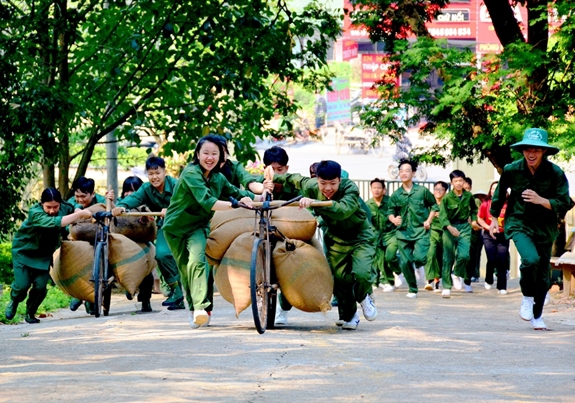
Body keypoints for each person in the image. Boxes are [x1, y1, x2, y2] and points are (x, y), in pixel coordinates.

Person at [161, 135, 264, 329]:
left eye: (214, 153)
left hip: (198, 226)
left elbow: (236, 191)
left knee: (197, 260)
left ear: (221, 156)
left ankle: (201, 307)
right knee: (185, 269)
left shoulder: (218, 178)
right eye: (206, 153)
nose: (210, 157)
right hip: (174, 227)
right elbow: (208, 202)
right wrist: (236, 205)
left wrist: (257, 197)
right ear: (197, 154)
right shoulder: (191, 173)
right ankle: (194, 310)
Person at [270, 160, 377, 330]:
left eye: (333, 183)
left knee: (362, 273)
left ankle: (363, 296)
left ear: (339, 180)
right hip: (335, 240)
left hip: (359, 237)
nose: (328, 188)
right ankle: (350, 316)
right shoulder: (312, 185)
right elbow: (295, 178)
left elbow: (343, 211)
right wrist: (272, 177)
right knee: (340, 280)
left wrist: (313, 203)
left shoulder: (350, 189)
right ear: (317, 180)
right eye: (323, 183)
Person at [489, 128, 572, 330]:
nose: (531, 153)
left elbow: (565, 203)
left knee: (543, 274)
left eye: (536, 149)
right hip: (519, 222)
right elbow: (499, 194)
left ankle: (537, 317)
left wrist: (541, 200)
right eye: (527, 149)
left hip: (545, 227)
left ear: (544, 152)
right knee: (530, 259)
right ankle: (527, 296)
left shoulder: (555, 173)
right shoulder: (511, 170)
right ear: (522, 151)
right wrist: (493, 218)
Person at [5, 188, 92, 323]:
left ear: (60, 204)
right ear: (41, 204)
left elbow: (72, 205)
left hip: (44, 255)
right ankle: (14, 301)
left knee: (40, 287)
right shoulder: (35, 212)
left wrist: (77, 209)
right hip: (24, 252)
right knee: (22, 285)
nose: (52, 210)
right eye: (48, 207)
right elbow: (55, 222)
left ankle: (30, 312)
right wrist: (79, 214)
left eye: (55, 207)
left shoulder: (64, 208)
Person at [112, 157, 184, 311]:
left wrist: (171, 209)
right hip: (167, 227)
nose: (154, 177)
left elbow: (186, 202)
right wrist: (122, 206)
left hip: (186, 225)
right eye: (151, 174)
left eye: (157, 173)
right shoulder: (146, 189)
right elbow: (134, 198)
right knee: (161, 255)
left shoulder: (176, 185)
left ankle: (190, 297)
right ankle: (177, 292)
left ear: (165, 172)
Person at [387, 159, 436, 298]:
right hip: (403, 233)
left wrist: (429, 220)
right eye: (401, 171)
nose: (403, 173)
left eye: (407, 170)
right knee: (405, 262)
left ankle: (419, 265)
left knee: (420, 258)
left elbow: (434, 206)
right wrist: (394, 219)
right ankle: (413, 289)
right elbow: (390, 212)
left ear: (413, 173)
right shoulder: (396, 195)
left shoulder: (422, 191)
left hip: (421, 231)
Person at [68, 176, 114, 313]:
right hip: (77, 239)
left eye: (83, 196)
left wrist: (111, 201)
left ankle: (92, 299)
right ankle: (78, 295)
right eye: (77, 195)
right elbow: (70, 215)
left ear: (92, 194)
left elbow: (113, 212)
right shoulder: (71, 202)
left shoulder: (100, 200)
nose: (80, 199)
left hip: (99, 238)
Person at [439, 170, 478, 298]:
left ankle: (456, 273)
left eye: (460, 180)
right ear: (451, 183)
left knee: (465, 255)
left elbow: (474, 210)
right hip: (450, 227)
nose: (458, 183)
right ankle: (446, 286)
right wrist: (450, 228)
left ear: (464, 181)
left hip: (465, 227)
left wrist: (473, 221)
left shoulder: (469, 196)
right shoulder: (447, 198)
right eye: (456, 181)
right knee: (448, 257)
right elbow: (443, 216)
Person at [366, 178, 401, 292]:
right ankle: (389, 282)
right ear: (371, 189)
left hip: (391, 234)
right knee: (381, 260)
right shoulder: (368, 205)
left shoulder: (391, 202)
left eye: (379, 188)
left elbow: (401, 214)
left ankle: (399, 272)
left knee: (390, 256)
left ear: (384, 190)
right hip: (376, 236)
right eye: (374, 188)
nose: (376, 190)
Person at [477, 181, 510, 294]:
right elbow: (480, 218)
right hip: (488, 235)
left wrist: (505, 229)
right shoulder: (486, 203)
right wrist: (488, 227)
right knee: (492, 259)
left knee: (502, 259)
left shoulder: (508, 204)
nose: (494, 191)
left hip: (503, 235)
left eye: (497, 188)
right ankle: (488, 279)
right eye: (493, 189)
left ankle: (502, 287)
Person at [424, 181, 448, 292]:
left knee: (440, 256)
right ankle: (429, 279)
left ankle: (437, 280)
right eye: (436, 189)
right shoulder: (429, 202)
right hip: (431, 231)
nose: (438, 192)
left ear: (445, 191)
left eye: (441, 189)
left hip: (445, 232)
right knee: (431, 253)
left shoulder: (447, 202)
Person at [463, 177, 484, 282]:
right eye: (463, 188)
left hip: (474, 230)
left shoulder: (475, 201)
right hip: (461, 230)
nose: (465, 190)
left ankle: (474, 274)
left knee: (474, 253)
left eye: (467, 188)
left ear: (470, 188)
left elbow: (479, 215)